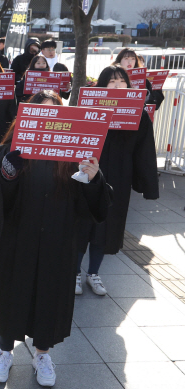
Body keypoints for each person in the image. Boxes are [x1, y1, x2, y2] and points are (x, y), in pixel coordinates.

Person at [0, 90, 112, 387]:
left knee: (50, 294)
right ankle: (4, 351)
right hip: (18, 235)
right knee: (14, 289)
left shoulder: (76, 156)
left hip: (59, 238)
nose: (49, 122)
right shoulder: (11, 151)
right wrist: (8, 173)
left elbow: (95, 204)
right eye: (41, 114)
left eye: (56, 114)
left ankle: (42, 354)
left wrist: (92, 177)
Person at [75, 65, 159, 296]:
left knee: (106, 227)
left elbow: (145, 151)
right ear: (102, 85)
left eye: (122, 81)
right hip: (87, 176)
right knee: (81, 225)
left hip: (118, 180)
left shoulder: (138, 114)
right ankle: (75, 273)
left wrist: (147, 185)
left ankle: (94, 273)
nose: (117, 85)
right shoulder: (87, 107)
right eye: (111, 81)